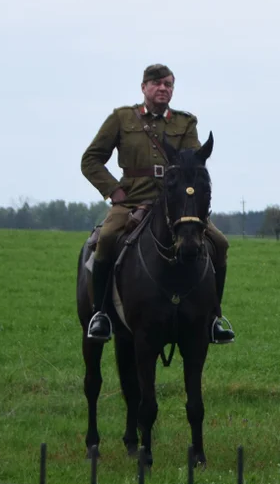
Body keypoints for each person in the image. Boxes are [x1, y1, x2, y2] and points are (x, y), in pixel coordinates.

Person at [80, 63, 235, 345]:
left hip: (176, 205)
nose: (163, 88)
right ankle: (101, 314)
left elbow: (191, 161)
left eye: (168, 84)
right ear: (144, 88)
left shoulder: (185, 122)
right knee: (106, 238)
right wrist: (114, 191)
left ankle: (213, 317)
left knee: (220, 243)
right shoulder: (121, 118)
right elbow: (90, 159)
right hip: (133, 199)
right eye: (156, 83)